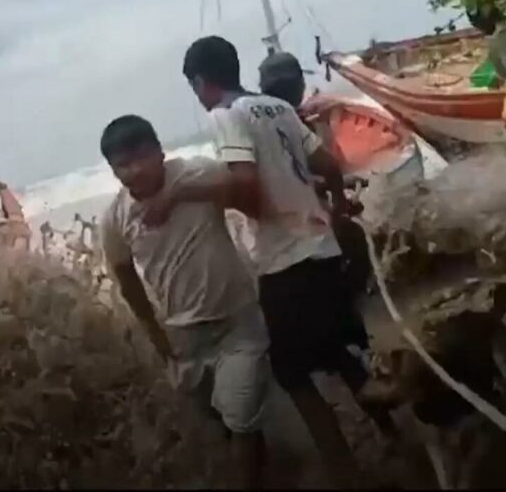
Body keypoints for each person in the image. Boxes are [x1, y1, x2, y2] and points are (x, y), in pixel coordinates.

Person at [168, 36, 397, 488]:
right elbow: (329, 165)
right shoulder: (278, 109)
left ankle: (344, 472)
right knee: (347, 357)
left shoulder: (224, 116)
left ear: (199, 81)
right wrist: (334, 207)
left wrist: (187, 193)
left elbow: (248, 190)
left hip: (285, 266)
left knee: (292, 375)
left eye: (194, 86)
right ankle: (399, 442)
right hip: (324, 251)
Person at [98, 115, 269, 489]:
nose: (135, 170)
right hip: (184, 337)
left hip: (237, 322)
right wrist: (158, 340)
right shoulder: (114, 218)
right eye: (122, 165)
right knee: (220, 419)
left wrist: (175, 196)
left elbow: (243, 187)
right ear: (112, 170)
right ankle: (262, 456)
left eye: (142, 157)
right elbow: (127, 280)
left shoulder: (195, 174)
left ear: (160, 152)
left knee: (240, 417)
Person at [258, 52, 373, 303]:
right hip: (299, 228)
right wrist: (338, 201)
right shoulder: (291, 122)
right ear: (300, 84)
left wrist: (338, 189)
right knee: (351, 238)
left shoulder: (268, 122)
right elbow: (302, 176)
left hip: (290, 222)